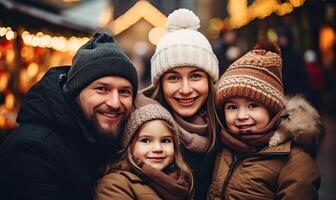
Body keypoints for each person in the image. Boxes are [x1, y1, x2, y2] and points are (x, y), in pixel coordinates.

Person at [0, 32, 138, 200]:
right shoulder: (32, 150)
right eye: (102, 89)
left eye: (125, 92)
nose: (115, 103)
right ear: (75, 92)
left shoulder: (114, 139)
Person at [208, 40, 322, 199]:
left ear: (273, 111)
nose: (241, 116)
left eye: (253, 106)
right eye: (232, 107)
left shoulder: (295, 161)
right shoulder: (223, 148)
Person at [142, 8, 219, 199]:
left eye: (195, 76)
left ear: (209, 81)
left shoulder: (232, 127)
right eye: (174, 78)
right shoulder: (139, 134)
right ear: (160, 84)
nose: (185, 89)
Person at [94, 98, 193, 200]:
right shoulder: (114, 184)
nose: (158, 148)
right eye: (145, 140)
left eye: (165, 141)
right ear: (129, 145)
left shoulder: (182, 182)